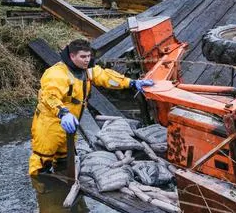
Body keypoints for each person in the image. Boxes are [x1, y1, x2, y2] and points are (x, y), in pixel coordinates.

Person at [29, 39, 154, 176]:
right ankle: (42, 192)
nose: (87, 60)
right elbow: (49, 96)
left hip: (71, 124)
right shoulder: (56, 74)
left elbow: (107, 77)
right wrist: (63, 113)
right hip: (50, 124)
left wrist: (132, 83)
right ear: (72, 56)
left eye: (89, 56)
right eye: (83, 57)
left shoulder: (88, 70)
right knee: (41, 162)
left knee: (65, 159)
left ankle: (63, 187)